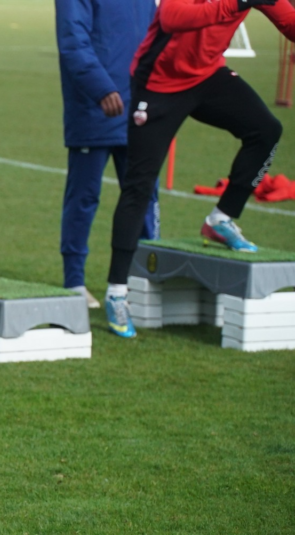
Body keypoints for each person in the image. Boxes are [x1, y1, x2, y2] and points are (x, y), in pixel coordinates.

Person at [105, 0, 295, 338]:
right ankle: (116, 293)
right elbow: (173, 16)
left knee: (266, 130)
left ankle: (221, 219)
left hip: (208, 75)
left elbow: (289, 23)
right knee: (139, 187)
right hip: (158, 84)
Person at [55, 0, 161, 309]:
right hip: (94, 107)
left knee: (144, 195)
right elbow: (73, 41)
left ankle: (145, 280)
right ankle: (74, 281)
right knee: (84, 197)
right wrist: (101, 87)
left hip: (140, 106)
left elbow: (158, 33)